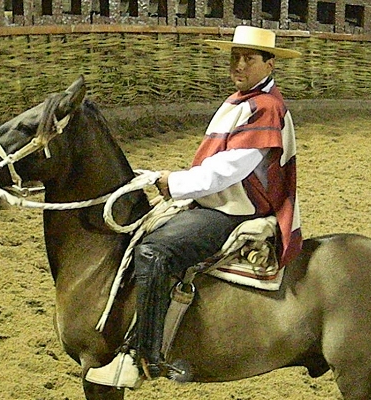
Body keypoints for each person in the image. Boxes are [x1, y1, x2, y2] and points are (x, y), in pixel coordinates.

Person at [86, 25, 303, 388]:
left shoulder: (264, 108)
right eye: (235, 57)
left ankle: (143, 355)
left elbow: (228, 169)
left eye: (249, 58)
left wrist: (174, 183)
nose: (238, 65)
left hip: (233, 209)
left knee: (155, 250)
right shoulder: (244, 100)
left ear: (270, 62)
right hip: (219, 200)